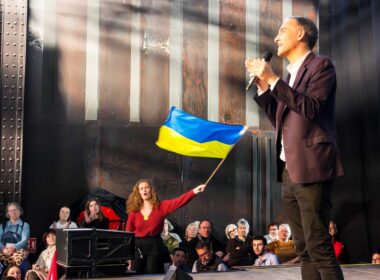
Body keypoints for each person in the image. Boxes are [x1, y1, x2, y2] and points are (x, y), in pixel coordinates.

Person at [245, 16, 344, 280]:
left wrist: (274, 79)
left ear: (301, 34)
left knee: (319, 246)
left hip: (312, 165)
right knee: (304, 248)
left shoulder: (321, 66)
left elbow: (310, 108)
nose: (276, 38)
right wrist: (264, 86)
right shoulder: (291, 74)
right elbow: (281, 118)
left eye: (282, 31)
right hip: (289, 169)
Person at [126, 178, 206, 274]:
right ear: (138, 192)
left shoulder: (161, 207)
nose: (144, 190)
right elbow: (128, 232)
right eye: (141, 189)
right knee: (136, 274)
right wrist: (128, 255)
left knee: (153, 274)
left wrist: (194, 191)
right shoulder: (134, 211)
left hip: (155, 244)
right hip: (138, 246)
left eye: (147, 188)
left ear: (151, 190)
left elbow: (178, 201)